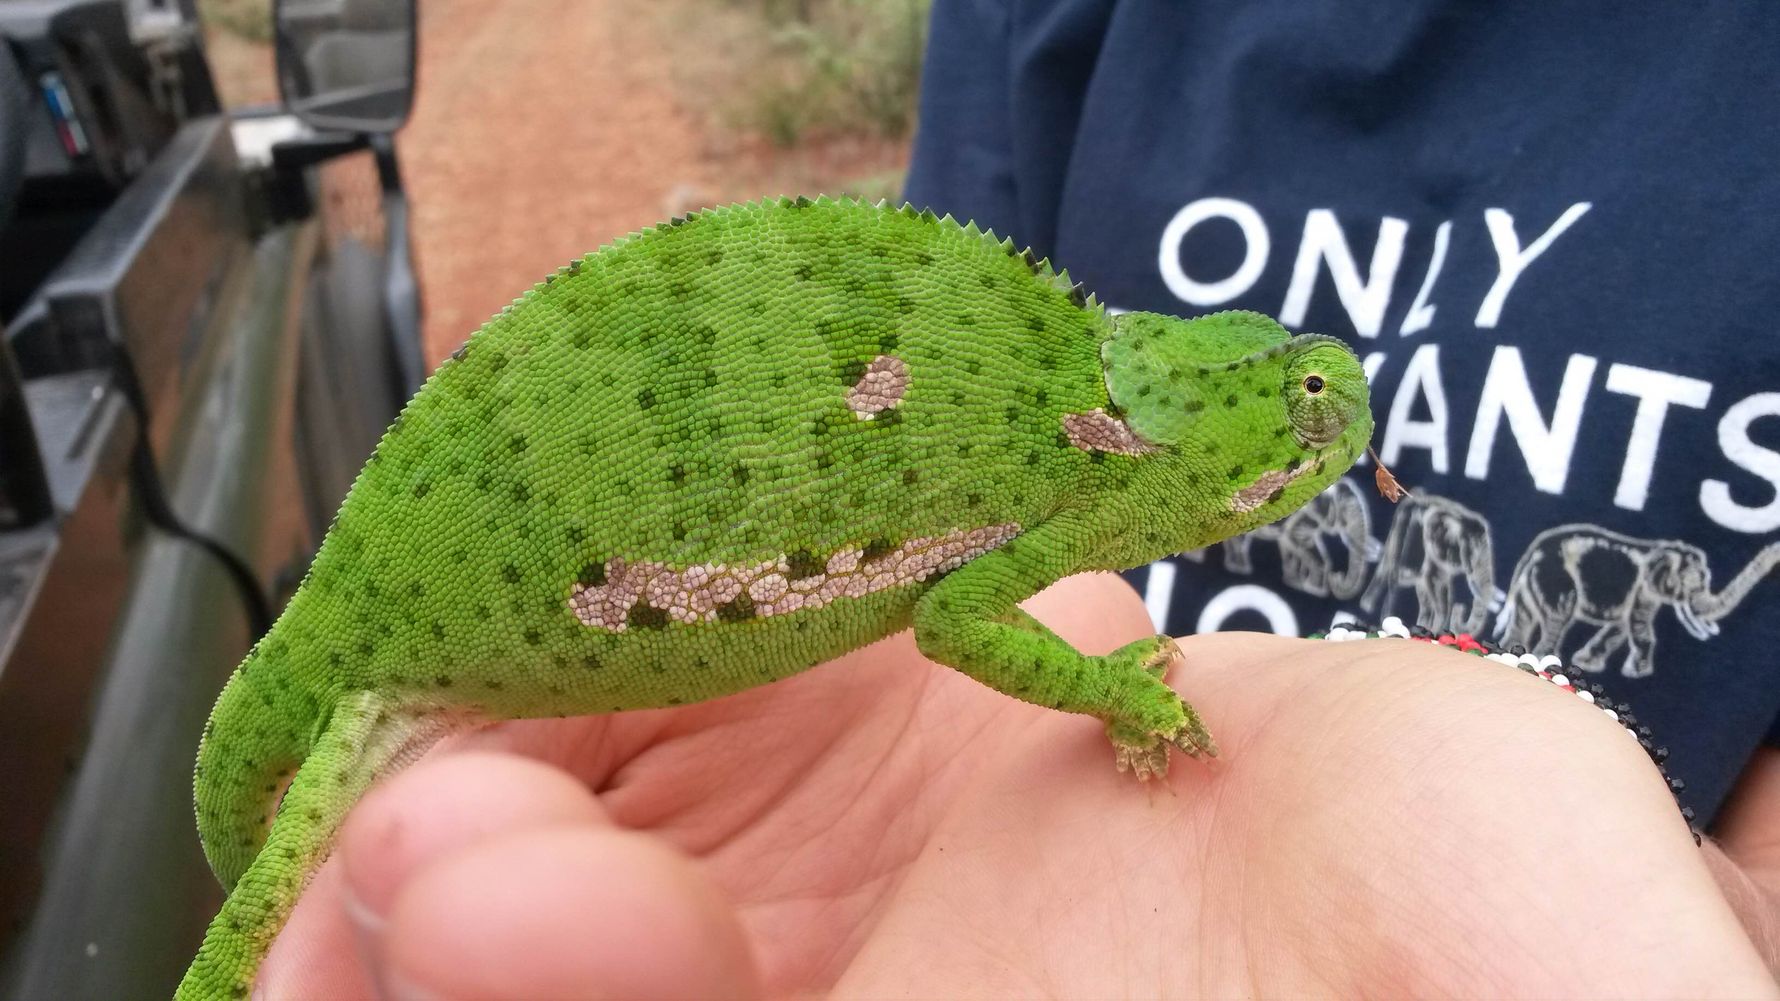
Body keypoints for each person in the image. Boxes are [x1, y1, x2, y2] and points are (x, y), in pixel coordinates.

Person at [253, 3, 1779, 994]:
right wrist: (1112, 692)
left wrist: (1717, 917)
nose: (1326, 460)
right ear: (1180, 452)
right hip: (488, 588)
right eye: (1299, 435)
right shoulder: (1087, 454)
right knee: (283, 888)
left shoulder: (1104, 447)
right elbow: (960, 618)